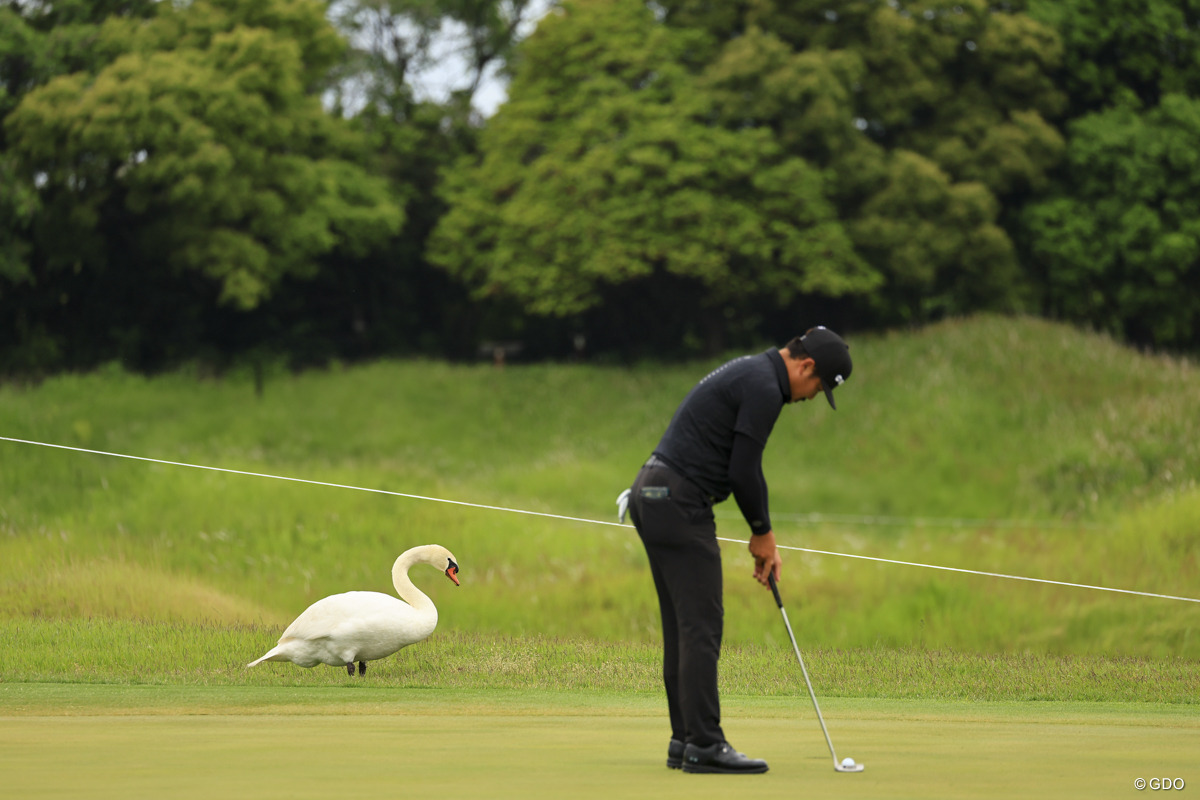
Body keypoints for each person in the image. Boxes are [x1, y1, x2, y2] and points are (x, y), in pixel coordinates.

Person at [622, 326, 852, 775]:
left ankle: (685, 739)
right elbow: (744, 470)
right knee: (701, 628)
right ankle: (705, 745)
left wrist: (760, 534)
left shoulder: (751, 372)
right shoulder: (765, 387)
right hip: (679, 500)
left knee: (683, 627)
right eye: (817, 387)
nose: (809, 398)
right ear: (806, 367)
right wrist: (763, 533)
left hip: (650, 493)